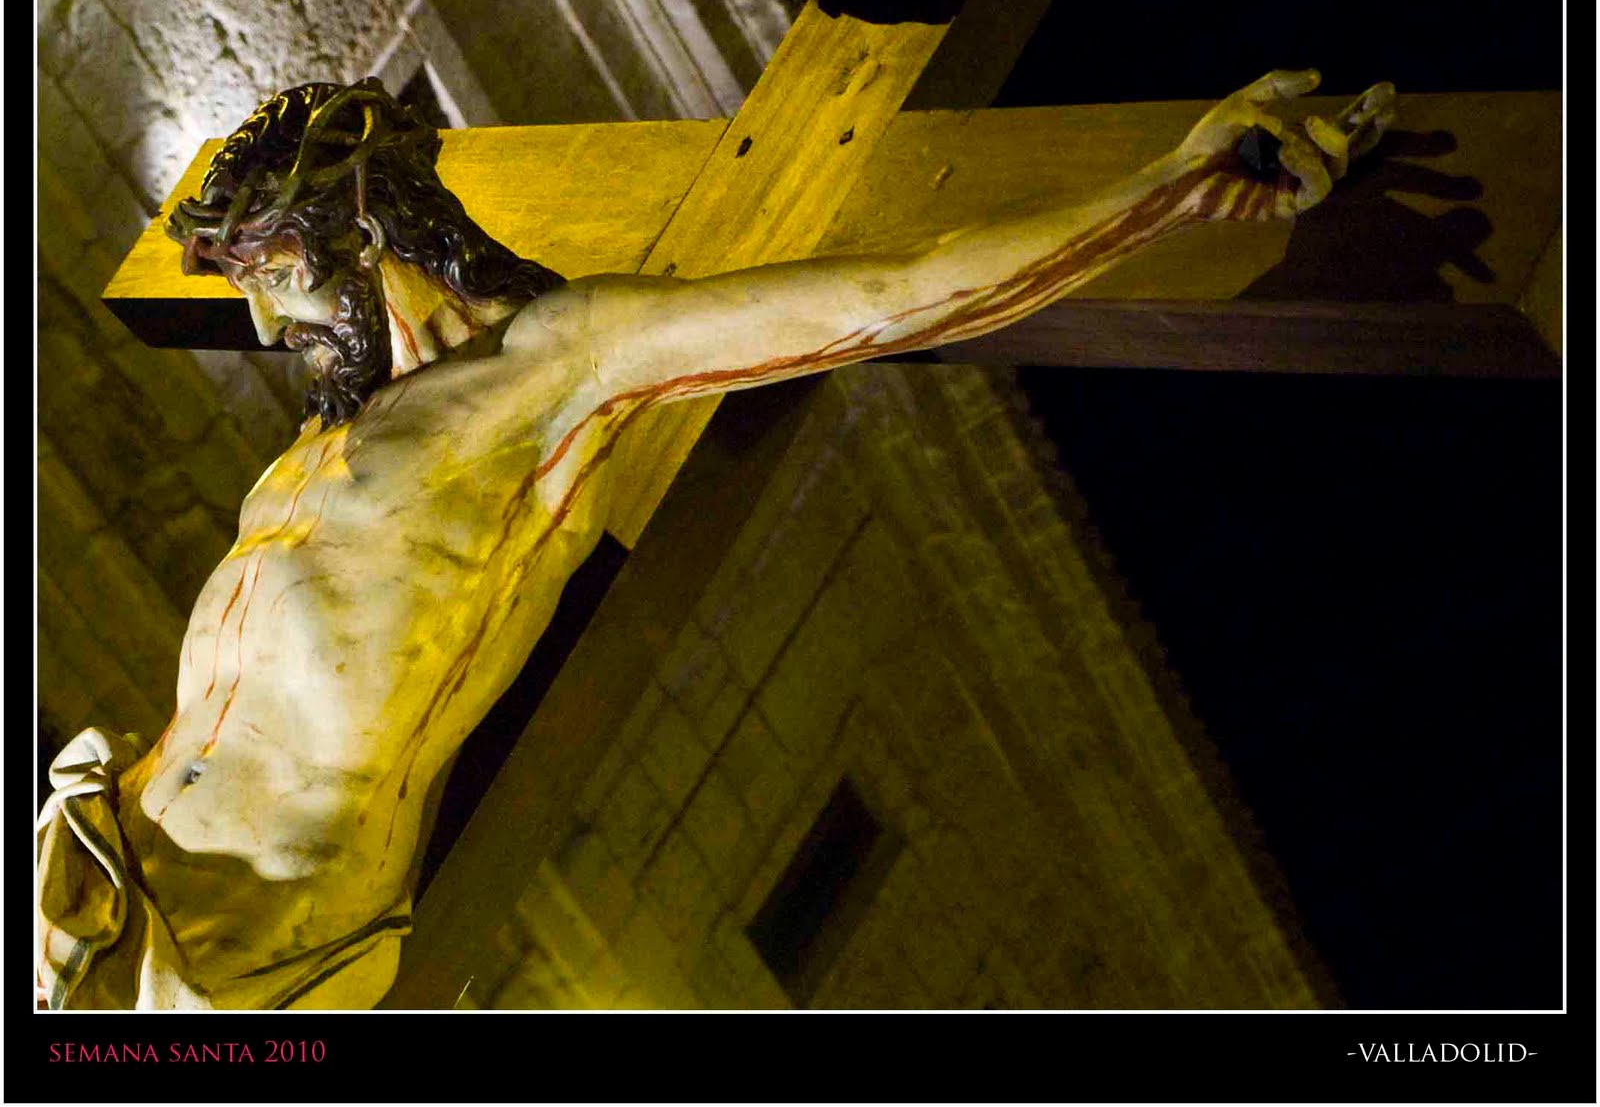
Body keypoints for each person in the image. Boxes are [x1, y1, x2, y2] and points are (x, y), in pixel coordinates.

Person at [37, 69, 1394, 1009]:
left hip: (229, 984)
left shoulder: (555, 365)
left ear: (365, 225)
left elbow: (895, 294)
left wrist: (1164, 184)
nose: (271, 329)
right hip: (89, 902)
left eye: (277, 275)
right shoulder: (304, 454)